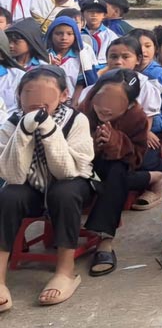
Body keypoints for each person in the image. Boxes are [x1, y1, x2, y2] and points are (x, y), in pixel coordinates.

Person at [0, 66, 94, 308]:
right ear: (19, 95)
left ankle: (65, 271)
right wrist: (24, 130)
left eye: (46, 96)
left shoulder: (77, 120)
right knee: (9, 195)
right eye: (28, 94)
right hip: (30, 183)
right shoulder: (11, 124)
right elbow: (13, 175)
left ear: (63, 95)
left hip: (74, 182)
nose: (36, 103)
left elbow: (67, 171)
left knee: (64, 192)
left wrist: (49, 130)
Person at [77, 69, 149, 277]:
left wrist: (114, 141)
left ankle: (105, 240)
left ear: (128, 104)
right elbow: (66, 148)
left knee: (118, 172)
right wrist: (93, 142)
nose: (106, 107)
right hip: (81, 164)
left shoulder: (136, 117)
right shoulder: (84, 110)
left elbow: (137, 157)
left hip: (116, 167)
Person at [46, 16, 98, 103]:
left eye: (69, 34)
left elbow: (81, 83)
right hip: (47, 100)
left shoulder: (81, 57)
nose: (64, 38)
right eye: (59, 33)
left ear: (76, 36)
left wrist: (74, 104)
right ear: (51, 35)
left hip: (71, 100)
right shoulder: (44, 55)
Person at [79, 0, 114, 67]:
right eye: (90, 11)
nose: (94, 15)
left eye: (98, 12)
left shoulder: (110, 35)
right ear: (82, 14)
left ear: (104, 15)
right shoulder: (78, 33)